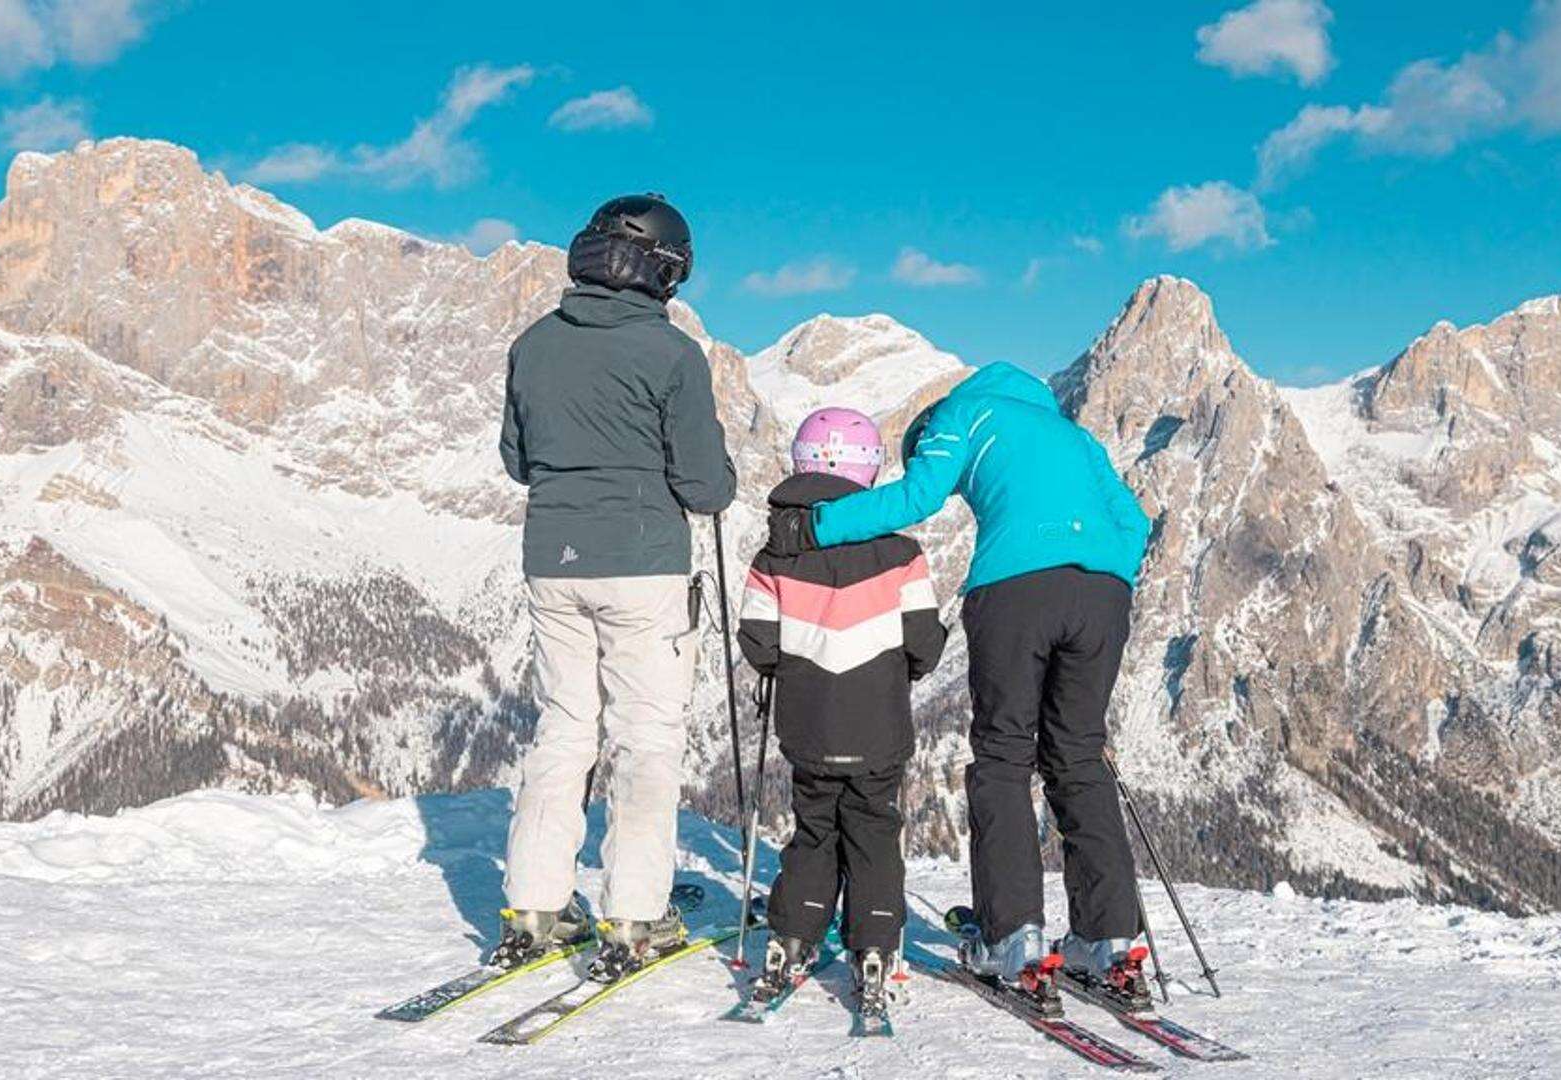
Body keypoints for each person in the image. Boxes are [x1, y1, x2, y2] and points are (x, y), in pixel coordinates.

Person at [768, 362, 1154, 1008]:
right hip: (1105, 593)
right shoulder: (1072, 433)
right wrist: (1096, 578)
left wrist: (813, 528)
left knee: (1004, 756)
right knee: (1079, 757)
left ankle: (1011, 940)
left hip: (1015, 591)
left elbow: (918, 497)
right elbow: (1135, 525)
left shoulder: (959, 415)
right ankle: (1109, 940)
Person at [494, 194, 735, 980]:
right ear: (662, 270)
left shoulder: (532, 345)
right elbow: (703, 486)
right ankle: (632, 916)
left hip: (552, 561)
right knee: (645, 736)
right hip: (642, 563)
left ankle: (534, 905)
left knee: (565, 726)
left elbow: (517, 462)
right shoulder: (671, 354)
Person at [737, 407, 947, 1019]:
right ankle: (875, 944)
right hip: (879, 725)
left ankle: (794, 937)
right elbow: (924, 645)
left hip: (807, 725)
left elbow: (758, 645)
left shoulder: (774, 554)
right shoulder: (901, 553)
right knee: (875, 832)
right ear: (871, 470)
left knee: (815, 829)